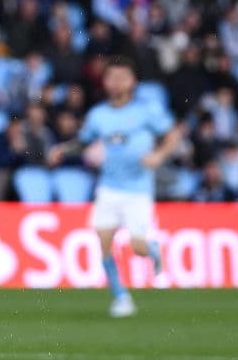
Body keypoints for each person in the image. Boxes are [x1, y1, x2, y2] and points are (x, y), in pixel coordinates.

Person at [51, 56, 183, 317]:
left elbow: (173, 135)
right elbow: (83, 141)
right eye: (111, 77)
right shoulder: (99, 115)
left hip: (138, 188)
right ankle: (121, 296)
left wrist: (158, 155)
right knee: (104, 244)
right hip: (109, 187)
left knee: (137, 246)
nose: (116, 82)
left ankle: (152, 250)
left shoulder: (147, 111)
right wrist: (62, 150)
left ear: (133, 81)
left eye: (122, 77)